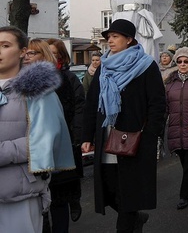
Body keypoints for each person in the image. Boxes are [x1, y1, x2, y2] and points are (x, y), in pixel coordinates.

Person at [81, 19, 166, 232]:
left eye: (115, 36)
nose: (110, 41)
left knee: (129, 191)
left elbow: (157, 103)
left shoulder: (146, 65)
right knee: (109, 190)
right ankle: (136, 217)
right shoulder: (104, 68)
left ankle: (128, 224)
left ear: (129, 39)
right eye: (108, 37)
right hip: (106, 137)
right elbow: (92, 104)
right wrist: (86, 136)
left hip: (134, 140)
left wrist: (150, 135)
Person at [0, 26, 76, 233]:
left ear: (23, 52)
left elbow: (45, 140)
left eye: (5, 46)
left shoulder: (38, 91)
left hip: (19, 193)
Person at [42, 38, 85, 232]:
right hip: (44, 143)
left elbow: (79, 107)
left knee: (65, 184)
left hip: (66, 137)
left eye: (54, 53)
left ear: (60, 56)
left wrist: (76, 134)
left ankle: (73, 200)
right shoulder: (35, 80)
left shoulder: (69, 78)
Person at [164, 47, 188, 210]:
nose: (182, 64)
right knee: (183, 159)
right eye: (179, 61)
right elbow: (165, 106)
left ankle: (183, 195)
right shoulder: (169, 82)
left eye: (186, 61)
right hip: (175, 128)